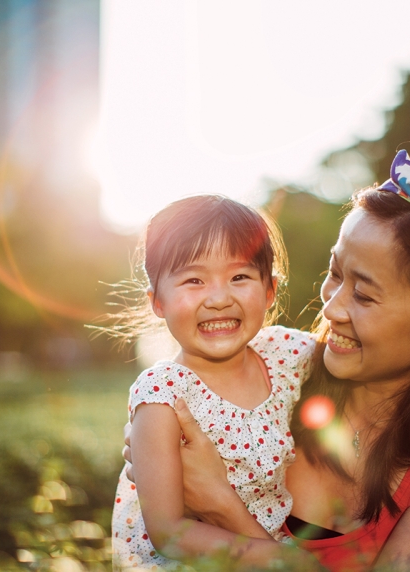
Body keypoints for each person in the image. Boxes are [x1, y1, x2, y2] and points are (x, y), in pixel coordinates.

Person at [123, 150, 410, 571]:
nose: (330, 310)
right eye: (334, 274)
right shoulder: (279, 376)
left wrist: (222, 507)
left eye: (364, 294)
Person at [108, 195, 317, 569]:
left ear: (269, 290)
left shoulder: (285, 354)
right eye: (194, 280)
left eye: (240, 277)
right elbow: (170, 532)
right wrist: (282, 563)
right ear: (158, 302)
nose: (219, 298)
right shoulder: (163, 395)